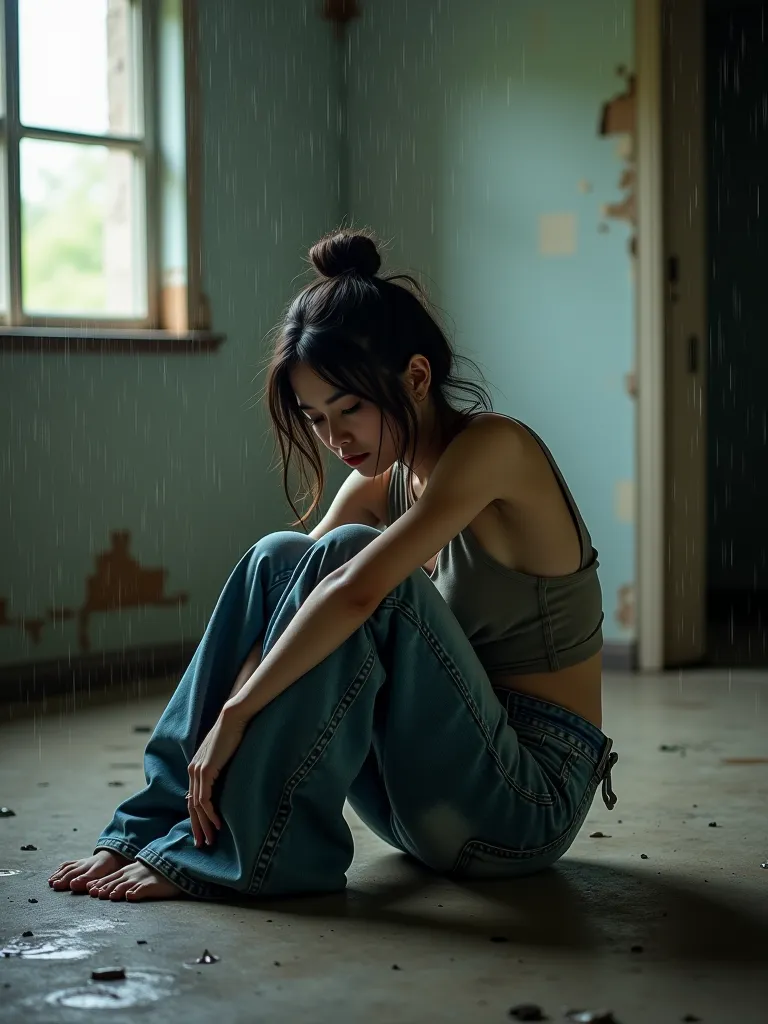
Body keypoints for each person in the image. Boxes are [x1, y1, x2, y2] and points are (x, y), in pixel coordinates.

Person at [48, 229, 617, 903]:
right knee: (277, 556)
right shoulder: (382, 479)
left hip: (525, 805)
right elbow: (293, 596)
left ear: (415, 378)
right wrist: (228, 715)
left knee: (347, 559)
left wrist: (237, 713)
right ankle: (162, 823)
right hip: (424, 804)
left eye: (350, 409)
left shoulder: (496, 450)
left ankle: (255, 854)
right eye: (316, 418)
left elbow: (352, 590)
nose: (334, 437)